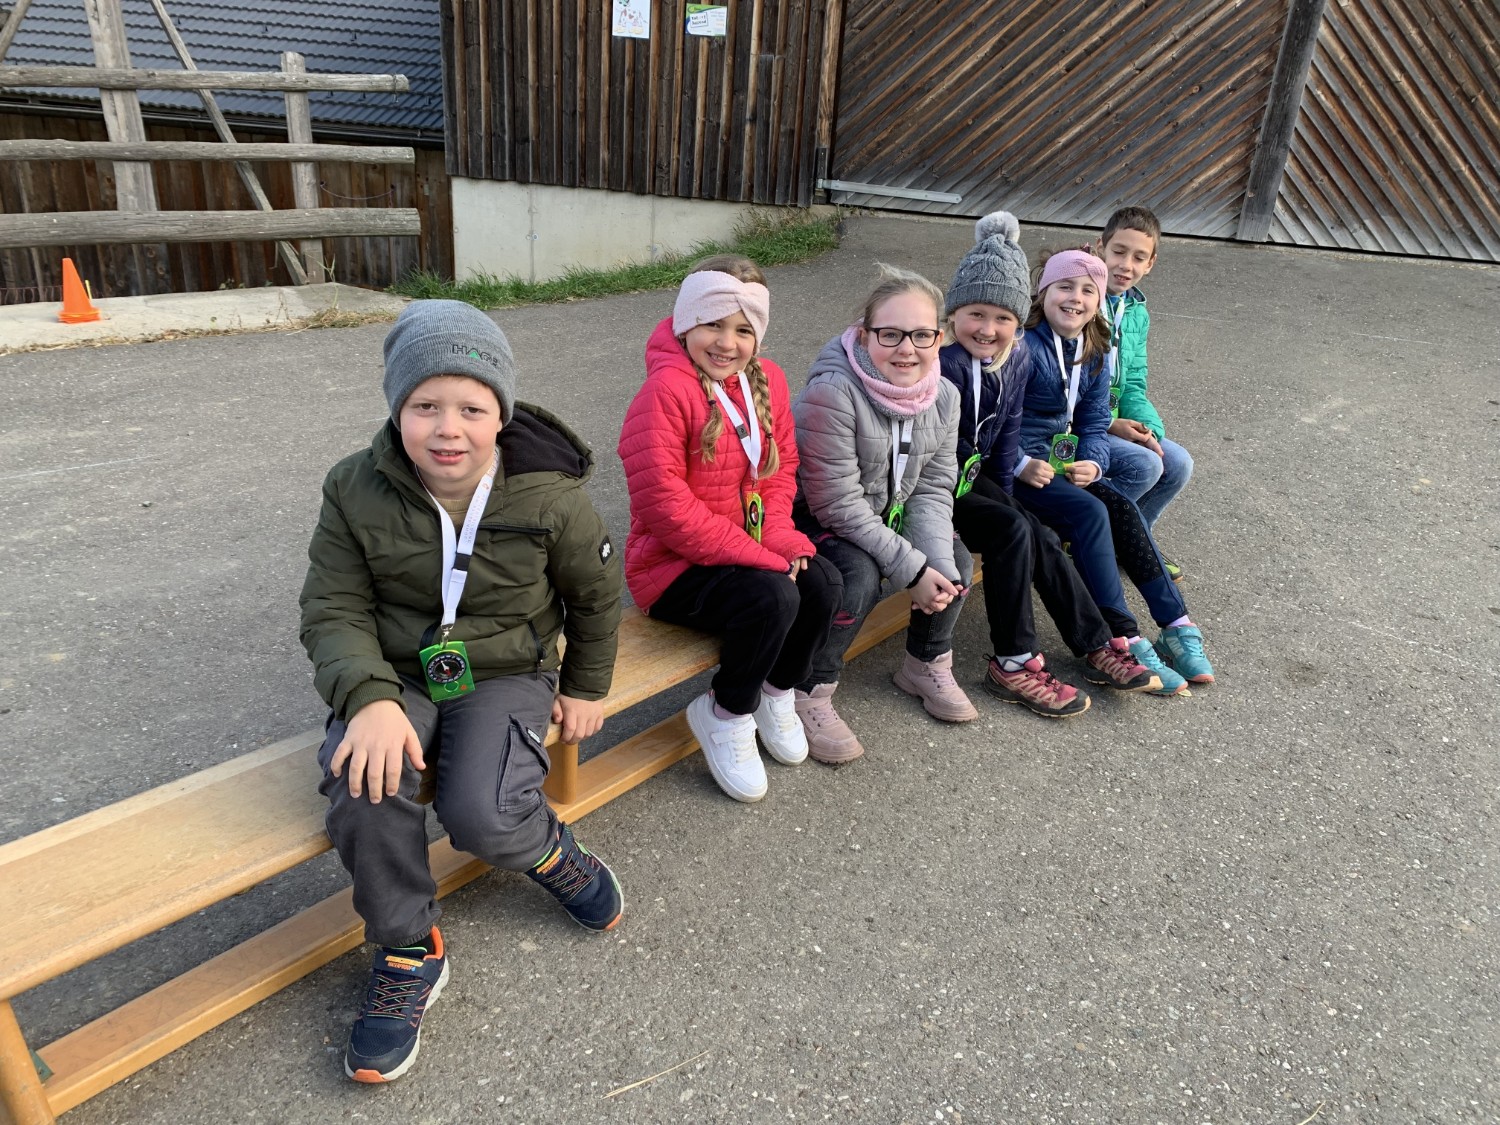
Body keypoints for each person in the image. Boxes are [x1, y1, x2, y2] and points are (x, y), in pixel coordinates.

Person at [299, 300, 624, 1083]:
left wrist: (586, 684)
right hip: (398, 672)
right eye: (425, 406)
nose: (449, 429)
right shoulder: (353, 486)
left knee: (484, 813)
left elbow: (595, 596)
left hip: (507, 668)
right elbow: (332, 608)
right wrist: (368, 697)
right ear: (397, 408)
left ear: (501, 414)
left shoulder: (548, 495)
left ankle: (550, 851)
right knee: (364, 782)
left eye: (472, 409)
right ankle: (409, 947)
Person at [618, 256, 841, 802]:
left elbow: (780, 467)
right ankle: (726, 712)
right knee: (774, 596)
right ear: (685, 323)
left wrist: (780, 536)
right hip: (670, 568)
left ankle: (776, 690)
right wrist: (761, 556)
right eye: (713, 324)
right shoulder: (665, 391)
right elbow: (665, 506)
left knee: (823, 582)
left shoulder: (768, 379)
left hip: (742, 551)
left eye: (744, 330)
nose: (726, 343)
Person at [939, 212, 1161, 717]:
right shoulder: (943, 365)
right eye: (976, 314)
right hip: (936, 487)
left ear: (1019, 321)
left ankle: (1096, 642)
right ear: (953, 313)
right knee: (1016, 529)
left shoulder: (1012, 358)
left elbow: (1005, 437)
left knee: (1036, 529)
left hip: (976, 478)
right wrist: (1002, 499)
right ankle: (1013, 661)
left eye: (1003, 319)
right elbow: (932, 460)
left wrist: (1008, 489)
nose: (989, 330)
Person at [792, 265, 977, 762]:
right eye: (890, 334)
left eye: (921, 335)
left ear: (940, 337)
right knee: (857, 576)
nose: (906, 349)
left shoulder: (945, 395)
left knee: (956, 564)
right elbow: (835, 504)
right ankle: (808, 688)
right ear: (864, 334)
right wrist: (911, 569)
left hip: (881, 515)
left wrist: (934, 565)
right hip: (817, 517)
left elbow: (932, 489)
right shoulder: (832, 393)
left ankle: (924, 664)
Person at [1009, 249, 1216, 693]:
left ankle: (1176, 623)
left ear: (1098, 301)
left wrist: (1095, 461)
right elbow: (998, 421)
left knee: (1120, 506)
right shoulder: (1022, 346)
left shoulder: (1094, 351)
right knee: (1091, 513)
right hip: (1022, 470)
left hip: (1062, 465)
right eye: (1065, 286)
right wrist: (1021, 463)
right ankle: (1124, 637)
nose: (1076, 298)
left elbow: (1094, 422)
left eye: (1088, 291)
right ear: (1042, 291)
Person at [1097, 205, 1193, 576]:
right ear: (1101, 247)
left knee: (1177, 462)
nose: (1126, 265)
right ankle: (1087, 536)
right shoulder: (1080, 298)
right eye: (1119, 252)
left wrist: (1149, 429)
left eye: (1139, 257)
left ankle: (1133, 542)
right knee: (1145, 465)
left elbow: (1135, 380)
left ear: (1150, 263)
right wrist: (1110, 424)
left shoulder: (1136, 310)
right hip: (1080, 424)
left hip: (1115, 417)